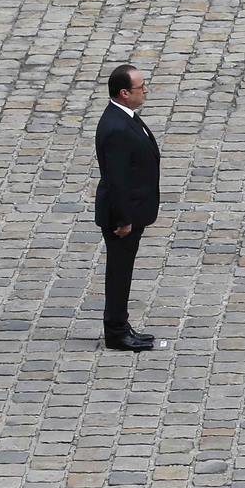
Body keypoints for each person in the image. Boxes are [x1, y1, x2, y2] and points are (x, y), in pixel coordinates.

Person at [94, 65, 161, 354]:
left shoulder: (125, 118)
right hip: (123, 217)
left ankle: (122, 325)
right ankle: (116, 332)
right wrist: (124, 219)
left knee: (124, 271)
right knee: (119, 273)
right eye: (140, 87)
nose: (145, 90)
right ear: (124, 93)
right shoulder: (117, 128)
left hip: (133, 211)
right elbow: (117, 179)